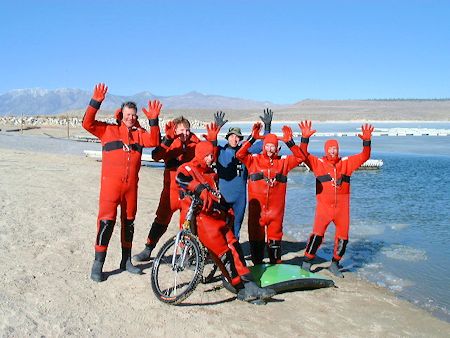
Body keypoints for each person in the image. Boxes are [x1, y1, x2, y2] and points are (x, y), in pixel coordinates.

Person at [176, 141, 276, 302]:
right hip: (200, 219)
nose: (211, 159)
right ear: (201, 154)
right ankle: (240, 289)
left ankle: (249, 283)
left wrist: (226, 209)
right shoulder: (187, 168)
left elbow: (216, 196)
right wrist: (199, 188)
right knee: (224, 253)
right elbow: (181, 179)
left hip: (215, 217)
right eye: (208, 156)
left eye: (212, 156)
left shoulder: (212, 174)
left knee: (234, 244)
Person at [82, 83, 161, 282]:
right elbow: (87, 123)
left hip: (130, 189)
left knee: (129, 224)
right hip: (111, 188)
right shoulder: (107, 131)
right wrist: (95, 102)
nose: (131, 117)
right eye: (128, 114)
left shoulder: (139, 134)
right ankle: (98, 264)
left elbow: (154, 142)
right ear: (121, 114)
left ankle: (126, 261)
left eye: (134, 115)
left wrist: (153, 120)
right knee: (106, 223)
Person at [299, 120, 374, 277]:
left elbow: (365, 155)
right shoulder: (318, 163)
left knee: (343, 238)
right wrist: (304, 139)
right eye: (330, 149)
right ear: (326, 150)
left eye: (335, 149)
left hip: (342, 209)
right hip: (324, 208)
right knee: (317, 236)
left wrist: (367, 141)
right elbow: (302, 155)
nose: (333, 151)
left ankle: (334, 264)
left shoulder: (346, 163)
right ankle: (307, 262)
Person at [236, 123, 306, 265]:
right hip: (257, 213)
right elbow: (240, 154)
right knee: (256, 241)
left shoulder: (284, 163)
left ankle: (275, 266)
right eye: (267, 146)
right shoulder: (253, 160)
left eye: (272, 146)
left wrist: (290, 143)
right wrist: (252, 139)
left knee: (275, 242)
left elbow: (301, 158)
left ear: (277, 148)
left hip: (275, 213)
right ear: (263, 146)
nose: (269, 149)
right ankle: (257, 266)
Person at [133, 116, 200, 261]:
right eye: (182, 130)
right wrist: (168, 140)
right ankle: (148, 248)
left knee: (187, 224)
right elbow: (156, 156)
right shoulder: (169, 141)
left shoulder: (196, 143)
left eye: (187, 130)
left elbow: (208, 157)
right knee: (161, 220)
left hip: (188, 192)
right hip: (170, 190)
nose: (185, 133)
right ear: (175, 130)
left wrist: (212, 141)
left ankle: (186, 253)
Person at [212, 109, 272, 239]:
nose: (235, 138)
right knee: (220, 226)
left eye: (237, 136)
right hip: (223, 197)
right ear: (227, 138)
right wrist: (216, 128)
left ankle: (234, 253)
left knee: (236, 228)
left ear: (240, 139)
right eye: (232, 136)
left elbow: (264, 144)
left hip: (240, 198)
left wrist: (267, 127)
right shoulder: (219, 151)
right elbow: (210, 146)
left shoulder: (245, 151)